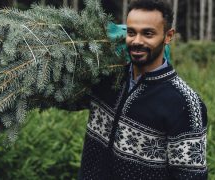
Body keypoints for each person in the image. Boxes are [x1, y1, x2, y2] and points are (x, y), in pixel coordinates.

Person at [77, 0, 208, 179]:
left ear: (168, 36)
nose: (137, 41)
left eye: (148, 33)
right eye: (131, 32)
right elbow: (64, 97)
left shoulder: (184, 102)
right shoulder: (107, 78)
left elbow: (190, 175)